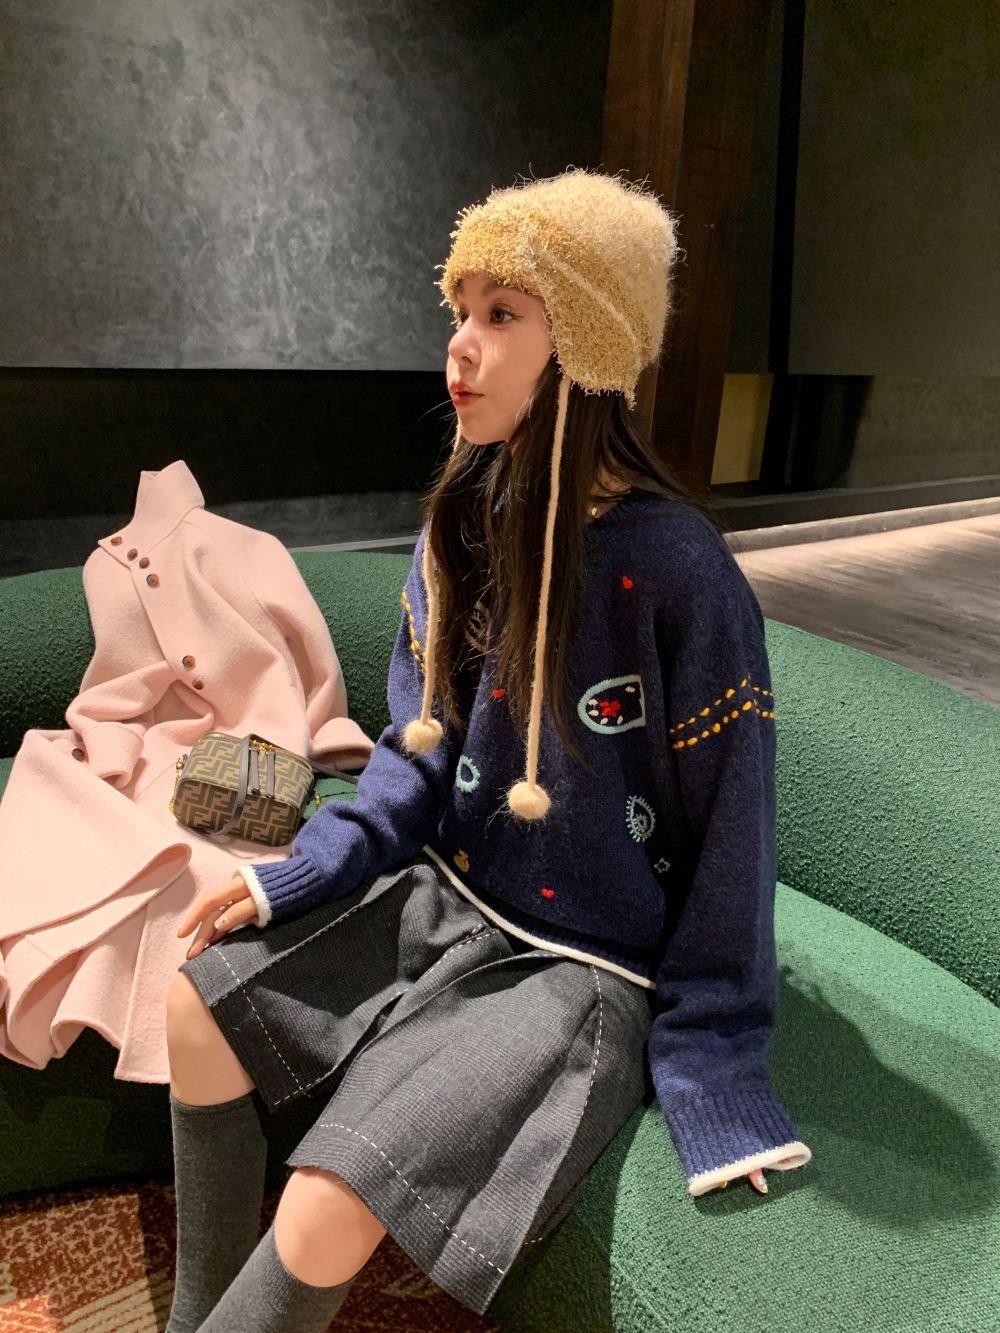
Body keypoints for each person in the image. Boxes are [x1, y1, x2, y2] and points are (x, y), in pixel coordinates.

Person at [164, 170, 811, 1333]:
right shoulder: (460, 523)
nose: (459, 346)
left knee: (325, 1201)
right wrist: (290, 876)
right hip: (442, 895)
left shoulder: (684, 574)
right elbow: (411, 759)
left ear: (590, 343)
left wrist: (713, 1056)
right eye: (459, 312)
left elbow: (735, 831)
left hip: (583, 966)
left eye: (502, 314)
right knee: (192, 1008)